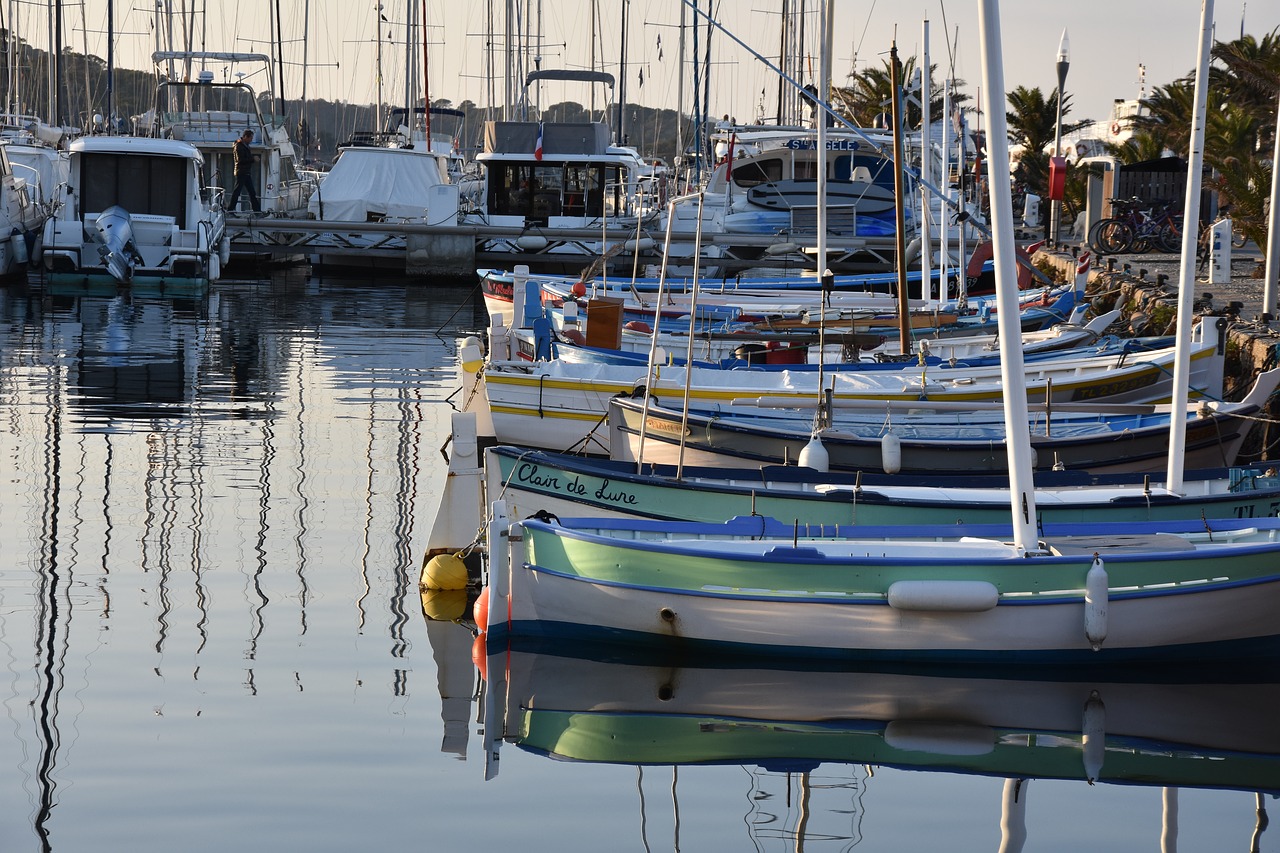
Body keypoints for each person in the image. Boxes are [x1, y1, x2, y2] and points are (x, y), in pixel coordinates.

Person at [227, 129, 260, 213]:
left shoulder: (244, 145)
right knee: (237, 192)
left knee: (252, 192)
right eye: (250, 138)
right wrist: (253, 159)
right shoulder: (239, 146)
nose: (251, 140)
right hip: (241, 172)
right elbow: (240, 160)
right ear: (245, 137)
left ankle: (257, 211)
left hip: (245, 172)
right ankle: (230, 210)